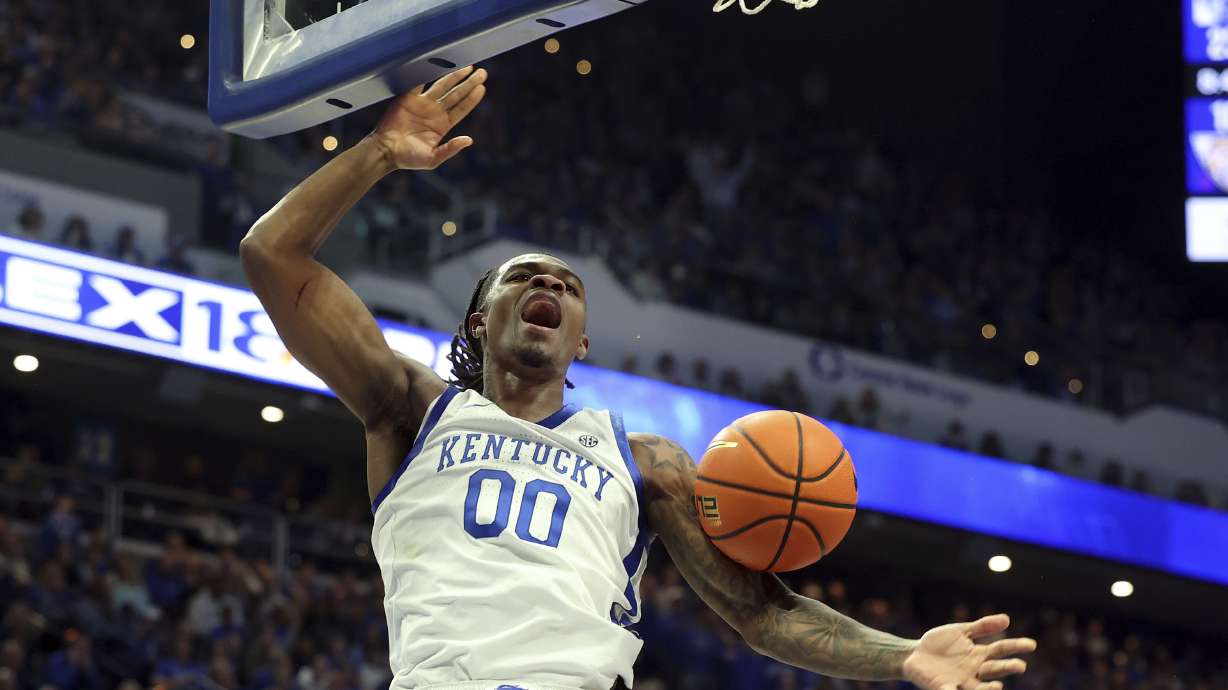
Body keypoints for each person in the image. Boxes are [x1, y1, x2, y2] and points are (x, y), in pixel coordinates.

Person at [241, 66, 1036, 690]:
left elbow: (763, 614)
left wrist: (903, 656)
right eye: (524, 279)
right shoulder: (409, 408)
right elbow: (272, 255)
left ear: (582, 343)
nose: (548, 287)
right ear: (480, 321)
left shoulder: (645, 462)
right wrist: (380, 151)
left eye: (568, 286)